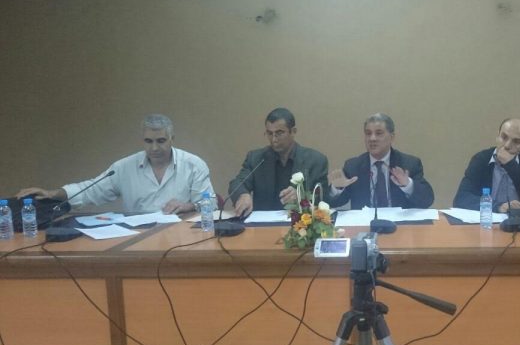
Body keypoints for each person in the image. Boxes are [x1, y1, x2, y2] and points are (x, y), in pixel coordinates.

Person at [16, 114, 214, 214]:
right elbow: (90, 190)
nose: (154, 147)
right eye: (148, 141)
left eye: (161, 141)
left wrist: (188, 205)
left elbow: (210, 203)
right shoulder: (124, 167)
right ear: (142, 140)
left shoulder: (193, 165)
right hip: (137, 239)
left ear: (172, 139)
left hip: (180, 235)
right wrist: (53, 193)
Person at [229, 108, 328, 215]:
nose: (274, 139)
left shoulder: (315, 161)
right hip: (263, 222)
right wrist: (242, 195)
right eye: (269, 133)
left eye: (279, 133)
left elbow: (323, 199)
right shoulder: (256, 159)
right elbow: (237, 183)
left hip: (301, 221)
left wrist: (302, 198)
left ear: (293, 131)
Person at [327, 113, 434, 209]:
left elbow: (427, 200)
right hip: (365, 223)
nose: (372, 138)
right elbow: (334, 203)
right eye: (368, 133)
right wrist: (337, 188)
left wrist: (408, 185)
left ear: (392, 137)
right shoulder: (353, 166)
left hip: (399, 222)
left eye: (379, 133)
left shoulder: (409, 164)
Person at [453, 118, 520, 212]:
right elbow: (461, 199)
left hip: (518, 219)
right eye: (504, 137)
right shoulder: (482, 159)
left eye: (516, 141)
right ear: (498, 136)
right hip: (487, 218)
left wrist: (511, 165)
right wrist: (498, 207)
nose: (507, 145)